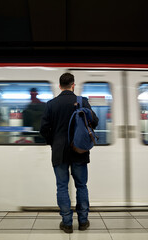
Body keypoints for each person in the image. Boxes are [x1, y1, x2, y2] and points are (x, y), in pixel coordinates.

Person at [40, 73, 99, 233]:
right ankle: (83, 221)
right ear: (73, 85)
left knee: (62, 187)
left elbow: (43, 129)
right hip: (79, 150)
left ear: (59, 86)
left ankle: (66, 223)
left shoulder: (51, 104)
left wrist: (53, 141)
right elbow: (95, 122)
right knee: (81, 185)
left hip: (59, 152)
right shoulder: (82, 101)